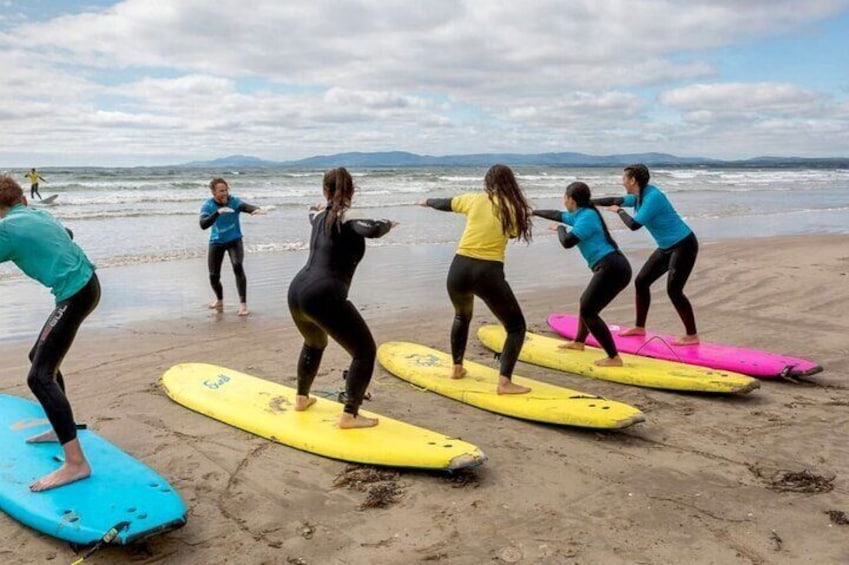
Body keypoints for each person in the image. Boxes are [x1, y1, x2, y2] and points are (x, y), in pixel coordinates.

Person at [0, 175, 100, 492]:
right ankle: (62, 430)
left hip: (75, 295)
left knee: (38, 376)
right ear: (22, 199)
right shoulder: (37, 214)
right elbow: (67, 233)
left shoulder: (7, 229)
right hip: (86, 286)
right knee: (40, 360)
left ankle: (76, 463)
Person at [287, 167, 396, 429]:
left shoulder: (319, 216)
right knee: (365, 352)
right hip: (324, 294)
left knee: (314, 342)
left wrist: (316, 206)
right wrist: (387, 224)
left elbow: (311, 212)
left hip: (297, 290)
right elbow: (369, 229)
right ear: (352, 191)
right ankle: (350, 415)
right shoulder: (348, 217)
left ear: (325, 190)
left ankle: (302, 398)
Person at [418, 164, 533, 395]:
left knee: (461, 315)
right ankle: (504, 382)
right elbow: (511, 234)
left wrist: (427, 201)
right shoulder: (514, 208)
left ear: (488, 183)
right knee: (516, 327)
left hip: (458, 270)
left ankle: (457, 367)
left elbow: (446, 203)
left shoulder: (473, 200)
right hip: (487, 272)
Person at [594, 164, 699, 345]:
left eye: (624, 178)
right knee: (641, 282)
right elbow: (616, 199)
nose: (622, 182)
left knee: (674, 290)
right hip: (666, 247)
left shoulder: (653, 197)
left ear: (633, 180)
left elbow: (634, 225)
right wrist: (589, 202)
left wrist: (618, 211)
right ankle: (639, 327)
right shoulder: (639, 195)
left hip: (684, 245)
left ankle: (692, 335)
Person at [534, 182, 632, 366]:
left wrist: (560, 229)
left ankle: (613, 357)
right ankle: (579, 342)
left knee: (589, 311)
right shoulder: (581, 213)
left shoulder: (587, 217)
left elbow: (568, 242)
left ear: (571, 199)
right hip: (611, 266)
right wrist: (533, 212)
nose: (564, 201)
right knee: (586, 304)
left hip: (613, 268)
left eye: (565, 197)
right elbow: (557, 214)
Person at [199, 177, 265, 316]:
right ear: (213, 193)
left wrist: (255, 210)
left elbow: (244, 206)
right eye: (221, 191)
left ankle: (243, 305)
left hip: (234, 240)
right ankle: (219, 300)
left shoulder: (233, 201)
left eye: (226, 190)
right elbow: (203, 224)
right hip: (216, 242)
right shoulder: (208, 206)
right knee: (213, 276)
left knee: (237, 266)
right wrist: (217, 212)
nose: (225, 193)